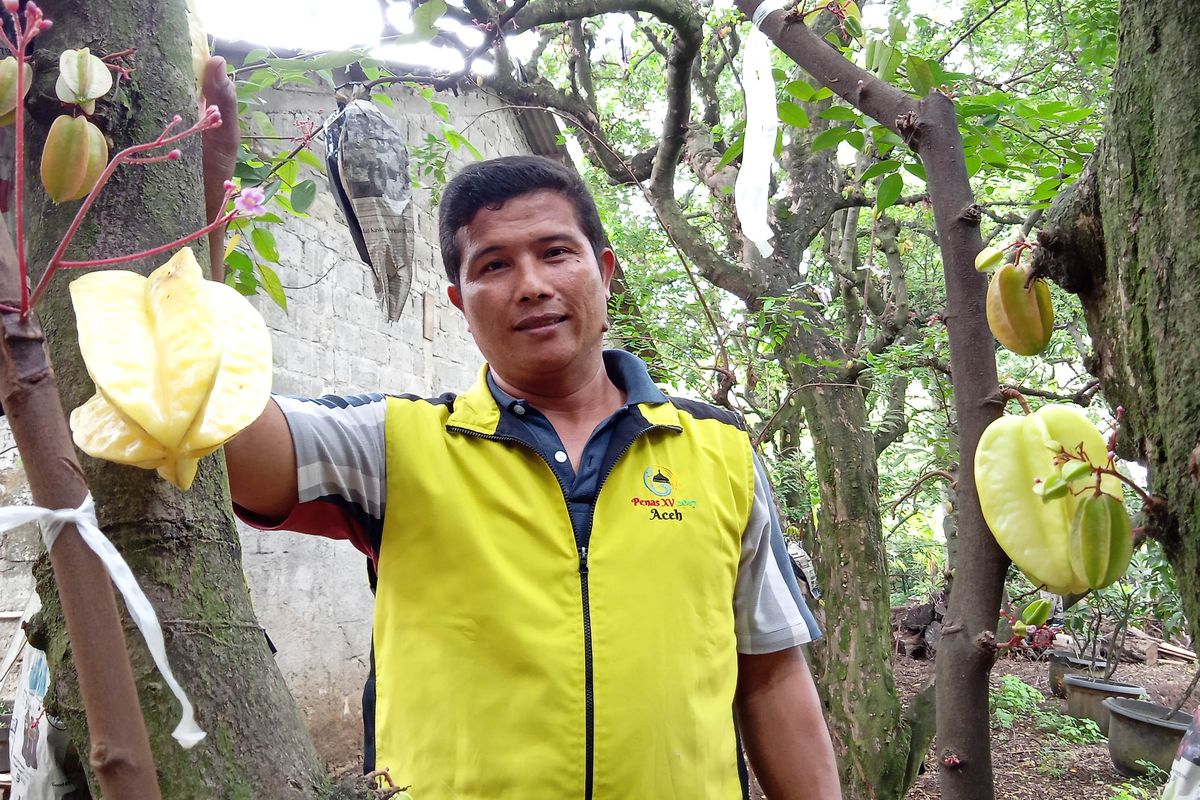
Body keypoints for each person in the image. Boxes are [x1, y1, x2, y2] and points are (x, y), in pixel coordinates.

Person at [202, 61, 841, 800]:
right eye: (495, 264)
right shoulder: (394, 445)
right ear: (459, 302)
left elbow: (770, 675)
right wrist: (198, 222)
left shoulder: (717, 450)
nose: (531, 284)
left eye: (556, 252)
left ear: (603, 272)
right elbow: (222, 433)